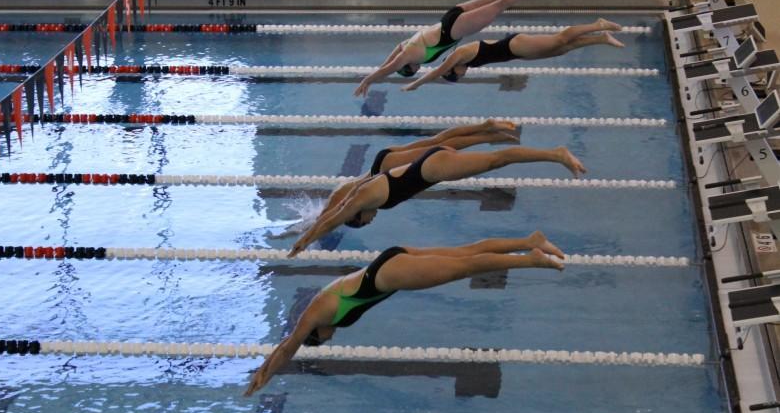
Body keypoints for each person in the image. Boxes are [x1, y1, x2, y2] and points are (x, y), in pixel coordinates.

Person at [245, 231, 565, 395]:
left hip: (388, 275)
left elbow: (288, 346)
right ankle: (528, 241)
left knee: (465, 266)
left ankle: (530, 259)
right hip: (389, 262)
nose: (329, 338)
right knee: (465, 253)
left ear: (316, 334)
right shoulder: (323, 302)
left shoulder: (316, 314)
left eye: (322, 341)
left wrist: (263, 375)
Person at [287, 145, 585, 258]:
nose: (371, 221)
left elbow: (333, 217)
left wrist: (305, 240)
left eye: (363, 222)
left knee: (497, 160)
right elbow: (334, 211)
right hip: (431, 167)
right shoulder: (362, 193)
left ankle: (556, 154)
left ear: (358, 214)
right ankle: (552, 154)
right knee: (496, 160)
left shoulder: (363, 196)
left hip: (433, 168)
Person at [353, 0, 554, 97]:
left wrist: (370, 80)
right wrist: (379, 69)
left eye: (414, 70)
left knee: (499, 4)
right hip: (449, 16)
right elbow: (392, 57)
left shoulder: (411, 55)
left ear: (410, 67)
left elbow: (389, 68)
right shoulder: (407, 45)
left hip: (454, 29)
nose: (417, 69)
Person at [321, 119, 520, 215]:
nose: (371, 218)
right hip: (382, 162)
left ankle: (488, 132)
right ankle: (484, 130)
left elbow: (331, 215)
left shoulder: (348, 199)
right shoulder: (344, 193)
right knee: (438, 140)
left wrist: (312, 228)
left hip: (385, 167)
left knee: (441, 144)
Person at [402, 19, 624, 90]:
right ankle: (601, 38)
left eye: (458, 75)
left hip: (515, 46)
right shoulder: (466, 61)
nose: (462, 74)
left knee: (560, 39)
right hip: (517, 53)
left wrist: (415, 84)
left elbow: (436, 72)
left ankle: (597, 25)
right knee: (561, 49)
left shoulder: (457, 56)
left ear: (453, 69)